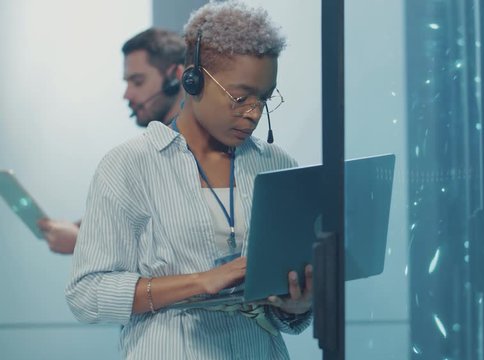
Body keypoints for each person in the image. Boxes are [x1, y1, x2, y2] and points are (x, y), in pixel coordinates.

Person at [65, 2, 313, 359]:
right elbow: (86, 294)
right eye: (239, 97)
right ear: (192, 81)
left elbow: (287, 314)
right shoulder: (130, 165)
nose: (254, 113)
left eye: (265, 98)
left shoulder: (277, 165)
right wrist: (200, 282)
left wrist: (296, 305)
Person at [38, 27, 186, 254]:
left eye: (137, 82)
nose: (127, 94)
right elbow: (133, 219)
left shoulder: (187, 150)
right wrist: (84, 228)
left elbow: (175, 246)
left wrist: (82, 242)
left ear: (175, 78)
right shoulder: (147, 152)